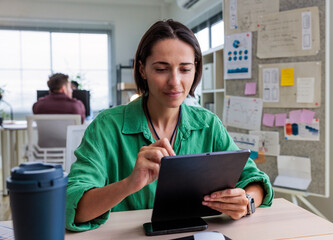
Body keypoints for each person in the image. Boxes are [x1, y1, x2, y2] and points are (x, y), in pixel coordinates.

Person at [65, 20, 274, 231]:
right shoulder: (106, 127)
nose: (174, 81)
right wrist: (129, 184)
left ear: (195, 70)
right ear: (142, 69)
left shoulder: (208, 124)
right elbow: (73, 208)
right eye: (162, 69)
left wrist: (246, 201)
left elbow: (255, 180)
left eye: (185, 69)